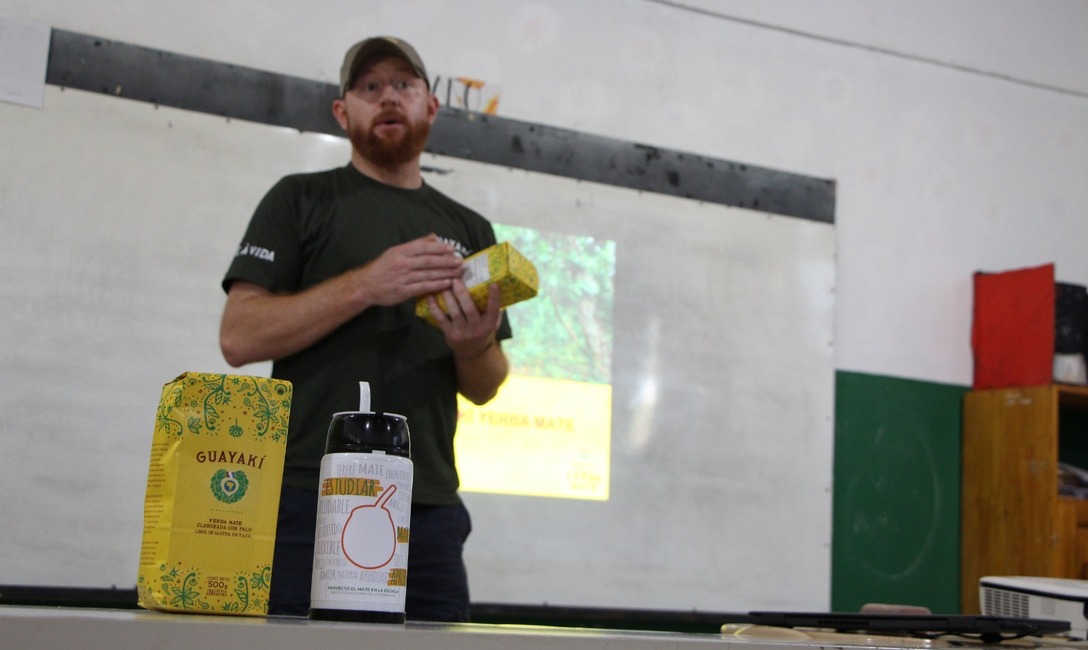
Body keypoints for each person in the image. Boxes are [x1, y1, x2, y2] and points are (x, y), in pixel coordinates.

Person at [218, 35, 511, 621]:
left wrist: (471, 343)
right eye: (370, 87)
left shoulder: (470, 227)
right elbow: (239, 336)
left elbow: (484, 384)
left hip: (427, 507)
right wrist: (364, 286)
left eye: (404, 85)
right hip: (307, 496)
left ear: (431, 106)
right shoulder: (300, 199)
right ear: (341, 111)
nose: (388, 98)